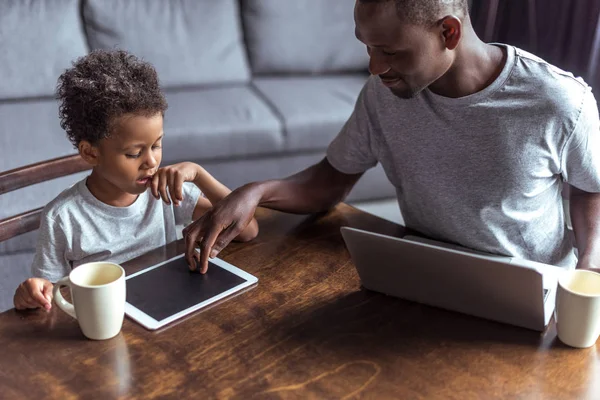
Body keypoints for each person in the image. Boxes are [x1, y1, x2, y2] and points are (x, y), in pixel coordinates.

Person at [182, 0, 600, 275]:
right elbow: (330, 181)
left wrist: (589, 260)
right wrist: (255, 192)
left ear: (448, 33)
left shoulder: (559, 102)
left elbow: (591, 189)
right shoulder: (383, 97)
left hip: (535, 290)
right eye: (367, 48)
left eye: (391, 51)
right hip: (430, 274)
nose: (374, 67)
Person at [13, 50, 259, 311]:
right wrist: (28, 295)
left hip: (165, 309)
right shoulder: (63, 218)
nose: (151, 162)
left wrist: (199, 174)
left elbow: (247, 230)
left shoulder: (164, 191)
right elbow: (48, 297)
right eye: (134, 153)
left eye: (157, 145)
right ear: (90, 153)